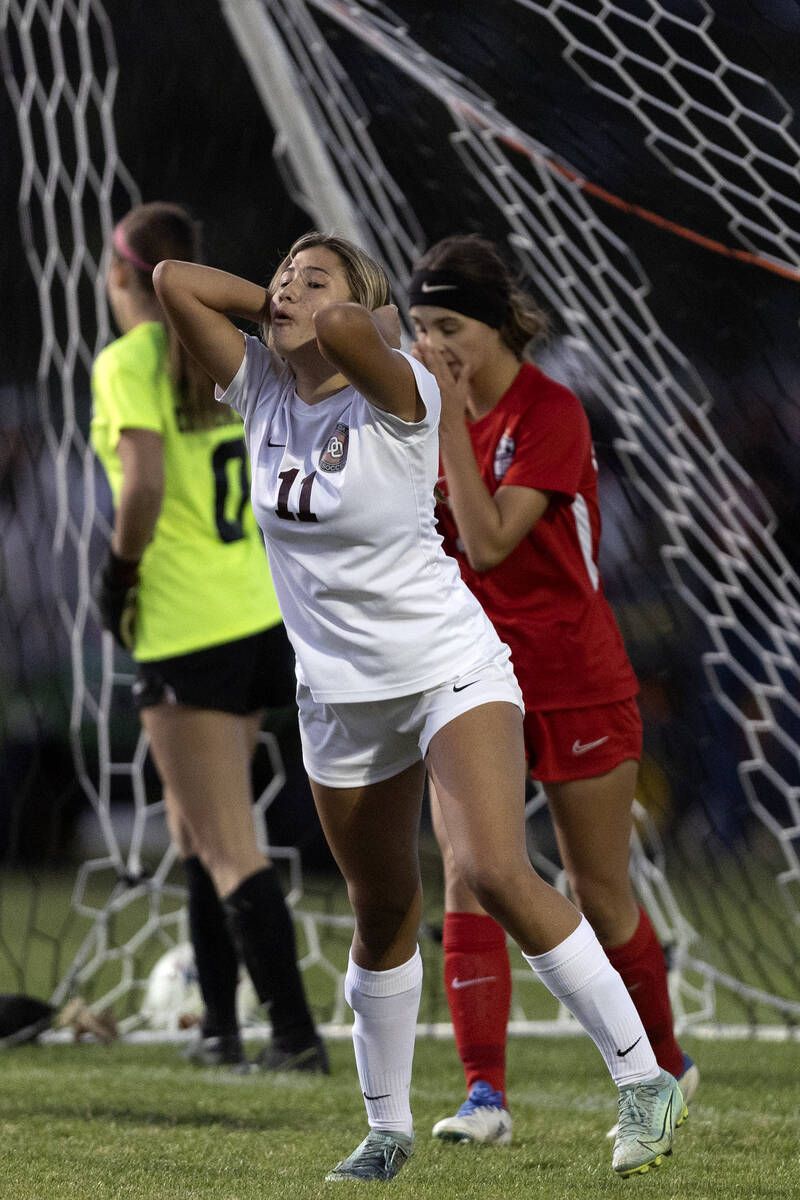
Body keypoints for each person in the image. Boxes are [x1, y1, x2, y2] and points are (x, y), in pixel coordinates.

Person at [153, 229, 687, 1182]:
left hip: (450, 665)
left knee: (490, 866)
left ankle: (644, 1079)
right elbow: (172, 279)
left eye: (308, 279)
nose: (283, 291)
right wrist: (280, 307)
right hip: (338, 695)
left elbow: (357, 329)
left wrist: (323, 310)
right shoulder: (263, 388)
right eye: (279, 276)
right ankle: (387, 1127)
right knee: (381, 905)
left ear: (357, 302)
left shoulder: (402, 384)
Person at [407, 233, 698, 1147]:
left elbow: (491, 542)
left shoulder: (551, 413)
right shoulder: (427, 413)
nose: (433, 345)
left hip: (571, 676)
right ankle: (484, 1097)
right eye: (419, 327)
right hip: (467, 676)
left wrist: (448, 420)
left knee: (596, 891)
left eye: (448, 325)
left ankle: (669, 1067)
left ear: (497, 326)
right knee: (469, 874)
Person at [90, 202, 327, 1075]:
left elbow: (142, 482)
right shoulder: (230, 350)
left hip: (187, 626)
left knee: (226, 842)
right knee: (198, 834)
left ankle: (296, 1037)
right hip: (260, 613)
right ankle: (222, 1029)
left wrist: (116, 576)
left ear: (123, 276)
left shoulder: (130, 360)